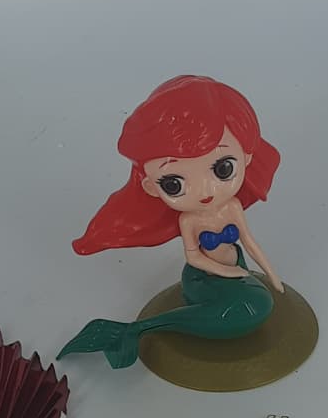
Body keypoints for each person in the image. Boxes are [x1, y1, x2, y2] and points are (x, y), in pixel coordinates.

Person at [59, 75, 284, 369]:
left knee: (256, 304)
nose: (204, 191)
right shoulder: (189, 219)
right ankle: (141, 329)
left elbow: (249, 241)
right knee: (251, 306)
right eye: (174, 184)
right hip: (202, 277)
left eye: (222, 168)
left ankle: (142, 328)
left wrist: (270, 273)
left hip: (236, 265)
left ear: (247, 156)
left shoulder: (231, 206)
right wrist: (226, 272)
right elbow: (194, 257)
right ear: (151, 187)